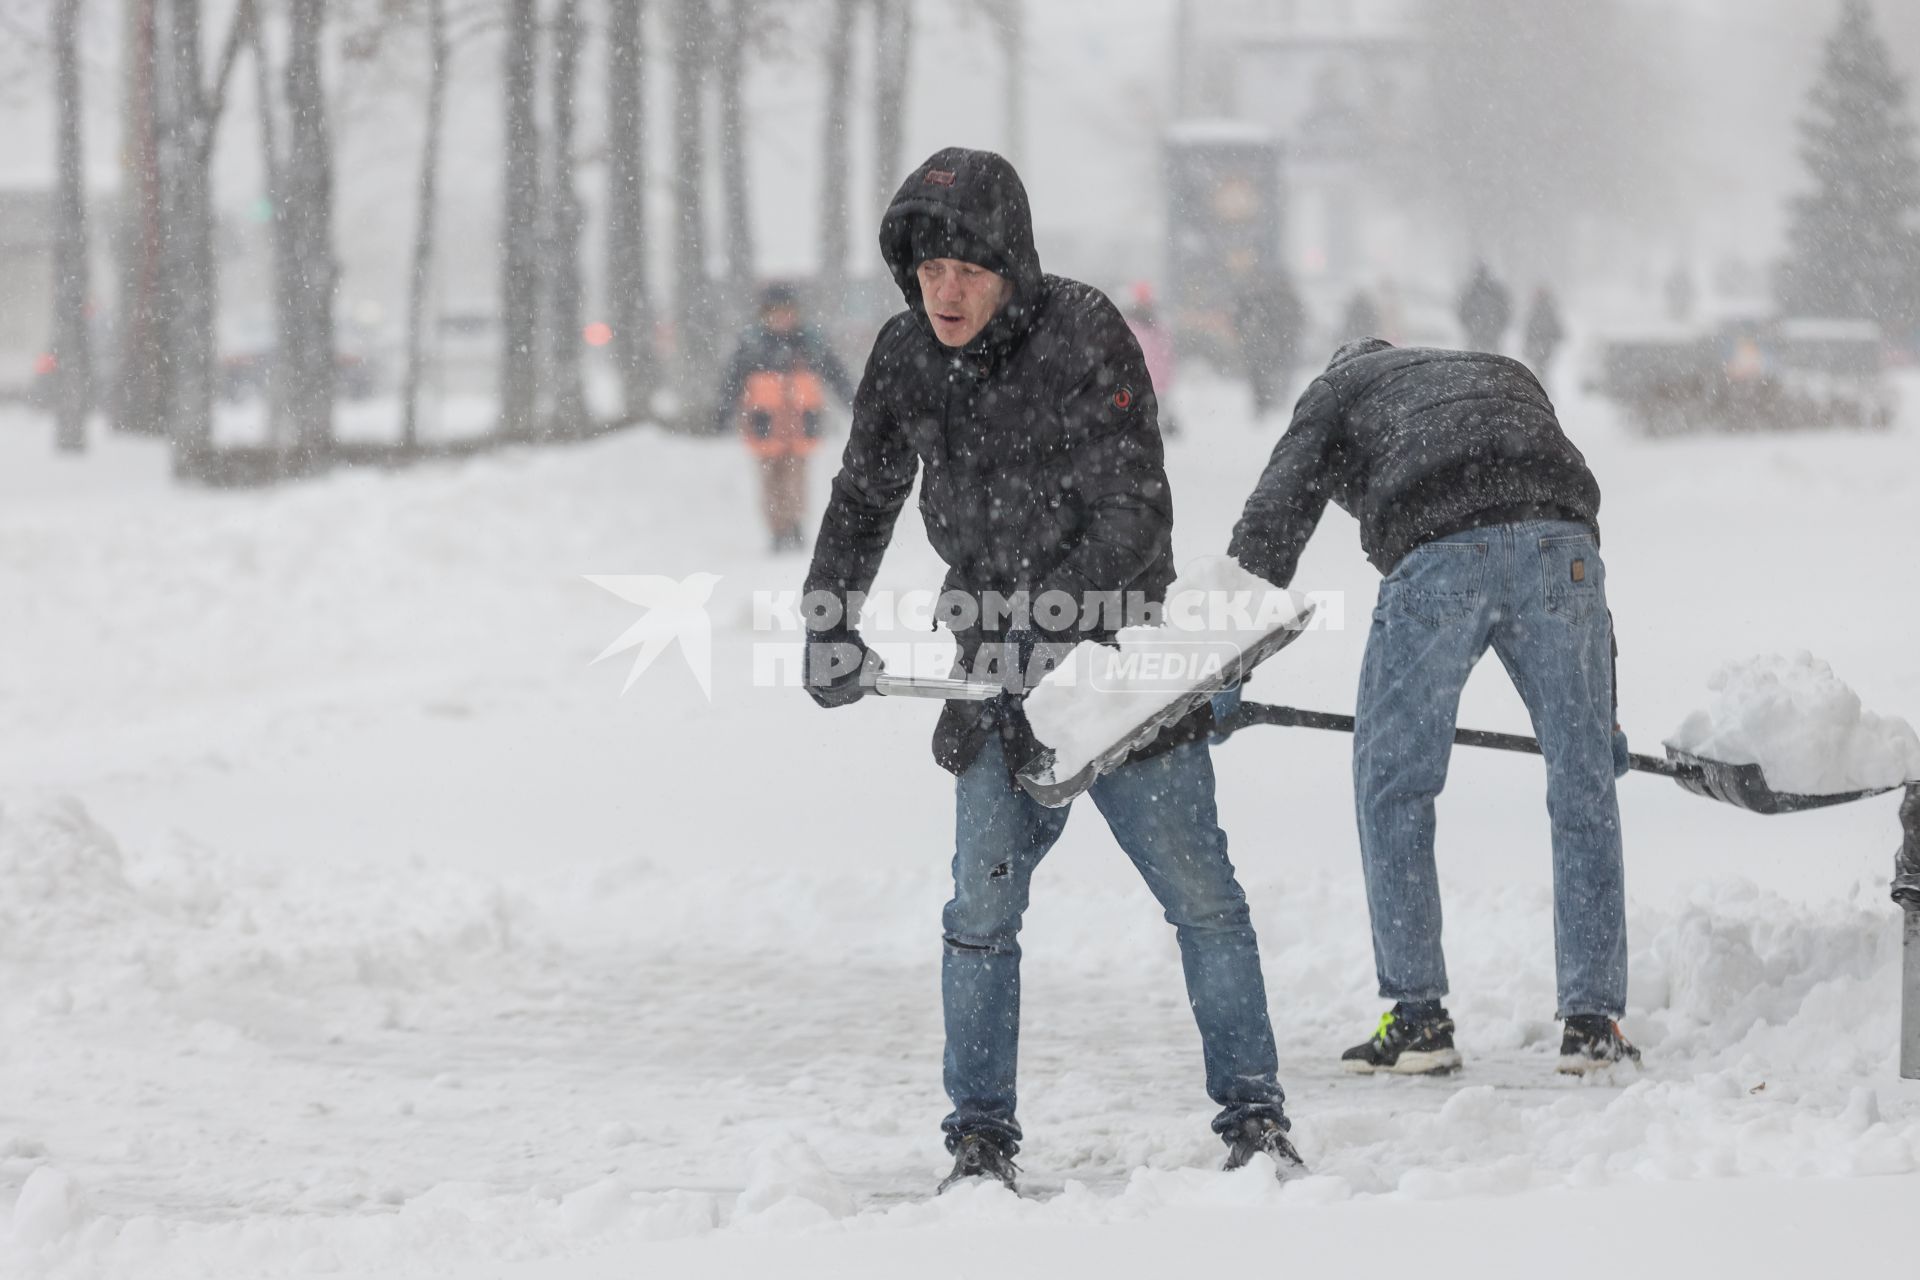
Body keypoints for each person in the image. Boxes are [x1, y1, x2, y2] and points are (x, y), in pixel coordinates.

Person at [801, 146, 1303, 1193]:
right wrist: (829, 616)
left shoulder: (1083, 333)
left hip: (1117, 660)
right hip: (993, 666)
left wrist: (1044, 634)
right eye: (929, 266)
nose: (946, 290)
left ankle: (1254, 1117)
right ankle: (979, 1138)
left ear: (1012, 267)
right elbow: (863, 493)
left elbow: (1135, 513)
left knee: (1200, 897)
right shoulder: (905, 354)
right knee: (980, 913)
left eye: (969, 269)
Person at [1227, 338, 1640, 1079]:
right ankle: (1593, 1023)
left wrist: (1219, 665)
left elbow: (1273, 523)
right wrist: (1600, 713)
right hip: (1564, 546)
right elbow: (1556, 502)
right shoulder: (1503, 370)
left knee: (1395, 786)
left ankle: (1418, 1018)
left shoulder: (1335, 391)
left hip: (1441, 552)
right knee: (1584, 786)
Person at [716, 282, 856, 553]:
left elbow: (836, 374)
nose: (782, 318)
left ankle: (795, 524)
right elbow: (732, 380)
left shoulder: (810, 343)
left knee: (796, 477)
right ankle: (777, 529)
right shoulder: (752, 345)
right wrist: (723, 411)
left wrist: (853, 401)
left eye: (787, 312)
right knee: (770, 480)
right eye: (775, 313)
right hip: (764, 423)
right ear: (765, 315)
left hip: (801, 423)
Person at [1234, 269, 1306, 420]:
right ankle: (1267, 402)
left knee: (1267, 374)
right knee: (1267, 374)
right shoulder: (1269, 300)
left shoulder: (1267, 299)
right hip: (1273, 346)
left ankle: (1267, 401)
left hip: (1272, 346)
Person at [1124, 282, 1179, 436]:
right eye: (1142, 302)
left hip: (1157, 387)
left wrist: (1166, 380)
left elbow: (1168, 358)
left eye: (1146, 302)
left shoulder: (1160, 328)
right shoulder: (1128, 326)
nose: (1144, 306)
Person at [1456, 261, 1512, 353]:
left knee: (1474, 359)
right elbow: (1506, 309)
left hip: (1478, 331)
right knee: (1493, 359)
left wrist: (1469, 324)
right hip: (1489, 331)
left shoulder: (1471, 290)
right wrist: (1499, 325)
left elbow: (1462, 310)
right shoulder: (1495, 290)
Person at [1522, 286, 1566, 380]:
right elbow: (1557, 329)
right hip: (1545, 345)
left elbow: (1529, 329)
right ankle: (1542, 383)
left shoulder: (1536, 311)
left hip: (1540, 345)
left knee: (1540, 369)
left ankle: (1540, 382)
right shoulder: (1549, 310)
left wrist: (1527, 345)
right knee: (1542, 369)